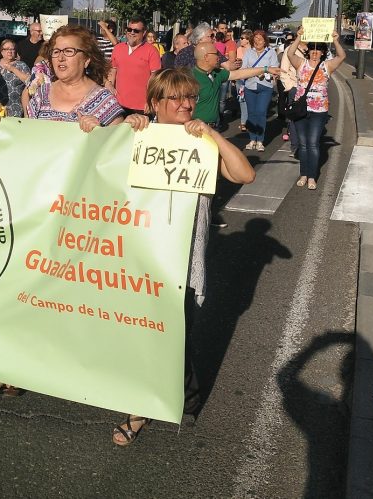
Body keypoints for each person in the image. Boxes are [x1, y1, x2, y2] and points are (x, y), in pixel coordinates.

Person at [111, 68, 255, 446]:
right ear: (155, 103)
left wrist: (213, 135)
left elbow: (244, 175)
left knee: (178, 334)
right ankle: (141, 406)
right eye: (174, 98)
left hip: (183, 262)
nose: (186, 104)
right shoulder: (139, 136)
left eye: (189, 97)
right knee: (141, 331)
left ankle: (186, 398)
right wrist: (129, 124)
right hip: (141, 256)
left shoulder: (202, 142)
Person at [25, 25, 126, 130]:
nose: (60, 58)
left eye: (69, 51)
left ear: (86, 59)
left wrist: (100, 133)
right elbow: (28, 133)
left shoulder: (105, 101)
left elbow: (117, 141)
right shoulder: (42, 93)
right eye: (56, 52)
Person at [285, 28, 347, 190]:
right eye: (312, 48)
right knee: (303, 144)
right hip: (301, 110)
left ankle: (312, 176)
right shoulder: (301, 64)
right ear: (308, 51)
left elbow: (342, 56)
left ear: (323, 52)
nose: (314, 52)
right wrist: (298, 37)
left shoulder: (327, 66)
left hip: (319, 111)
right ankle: (303, 174)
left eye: (318, 49)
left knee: (312, 144)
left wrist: (335, 40)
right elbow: (290, 54)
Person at [190, 40, 278, 127]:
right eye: (216, 53)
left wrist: (266, 69)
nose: (219, 57)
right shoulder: (190, 78)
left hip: (213, 127)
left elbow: (240, 73)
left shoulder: (217, 73)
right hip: (196, 129)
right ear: (206, 57)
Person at [107, 18, 160, 116]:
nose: (132, 32)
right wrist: (109, 85)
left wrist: (151, 100)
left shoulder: (152, 51)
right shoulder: (118, 48)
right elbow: (113, 71)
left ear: (143, 33)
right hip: (119, 105)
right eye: (129, 29)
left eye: (136, 31)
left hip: (142, 107)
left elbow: (156, 78)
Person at [240, 30, 279, 150]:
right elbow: (244, 68)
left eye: (260, 39)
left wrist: (265, 73)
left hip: (265, 86)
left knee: (261, 112)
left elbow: (274, 69)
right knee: (251, 113)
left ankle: (260, 140)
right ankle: (252, 139)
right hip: (250, 86)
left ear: (265, 41)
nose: (257, 41)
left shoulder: (271, 52)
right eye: (255, 39)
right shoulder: (248, 52)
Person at [0, 38, 30, 117]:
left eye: (12, 49)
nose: (10, 51)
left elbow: (29, 82)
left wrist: (13, 69)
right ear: (1, 51)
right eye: (7, 49)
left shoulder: (21, 65)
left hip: (16, 111)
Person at [277, 32, 307, 152]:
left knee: (309, 117)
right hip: (295, 87)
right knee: (295, 117)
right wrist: (289, 86)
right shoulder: (291, 49)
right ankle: (295, 145)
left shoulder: (317, 49)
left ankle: (304, 143)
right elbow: (283, 69)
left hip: (311, 90)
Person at [235, 34, 252, 131]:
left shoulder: (253, 50)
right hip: (240, 78)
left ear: (248, 40)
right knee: (242, 100)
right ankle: (243, 122)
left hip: (251, 78)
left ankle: (249, 121)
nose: (240, 40)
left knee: (250, 100)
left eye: (242, 38)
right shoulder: (239, 50)